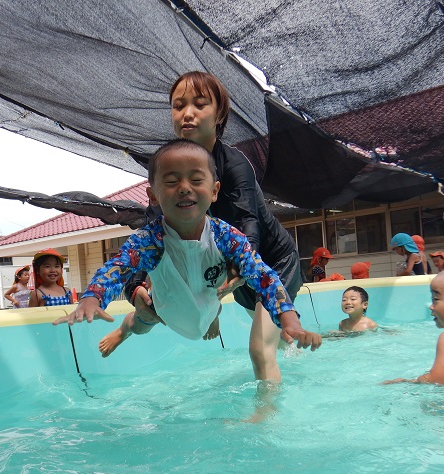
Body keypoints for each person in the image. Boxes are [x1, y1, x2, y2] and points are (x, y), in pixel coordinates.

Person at [55, 139, 321, 368]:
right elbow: (118, 268)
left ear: (215, 191)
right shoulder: (150, 240)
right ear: (153, 196)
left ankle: (212, 319)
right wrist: (91, 299)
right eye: (171, 181)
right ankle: (123, 331)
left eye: (196, 180)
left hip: (206, 302)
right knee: (141, 322)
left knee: (213, 286)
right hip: (165, 309)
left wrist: (289, 318)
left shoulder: (226, 236)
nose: (184, 187)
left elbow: (263, 276)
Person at [119, 71, 306, 392]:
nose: (187, 113)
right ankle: (296, 358)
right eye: (178, 106)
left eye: (199, 104)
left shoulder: (234, 166)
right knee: (274, 339)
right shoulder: (169, 167)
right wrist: (135, 287)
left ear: (219, 114)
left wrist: (216, 289)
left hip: (271, 262)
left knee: (260, 350)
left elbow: (249, 232)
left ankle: (265, 424)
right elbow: (150, 234)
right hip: (231, 270)